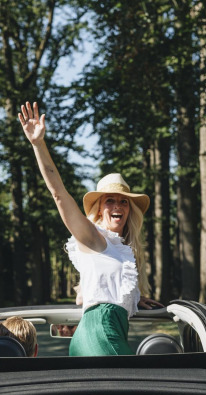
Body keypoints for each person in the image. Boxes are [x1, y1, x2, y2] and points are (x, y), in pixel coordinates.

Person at [19, 101, 163, 356]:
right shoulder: (94, 238)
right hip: (101, 334)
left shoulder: (117, 250)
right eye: (110, 200)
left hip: (97, 335)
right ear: (98, 209)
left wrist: (132, 297)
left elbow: (84, 298)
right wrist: (38, 144)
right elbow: (59, 194)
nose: (118, 205)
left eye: (123, 202)